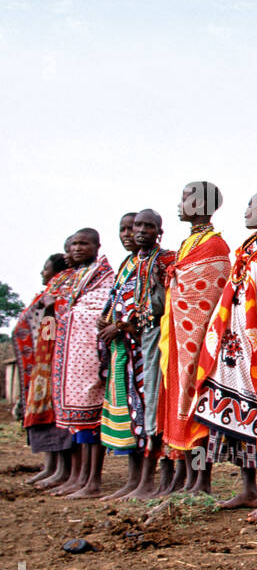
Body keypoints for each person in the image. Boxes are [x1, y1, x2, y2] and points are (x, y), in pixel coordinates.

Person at [192, 191, 257, 511]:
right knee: (232, 414)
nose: (245, 211)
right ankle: (248, 489)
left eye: (250, 205)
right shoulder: (247, 247)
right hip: (234, 345)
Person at [159, 181, 230, 496]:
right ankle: (186, 477)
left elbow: (210, 293)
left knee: (197, 409)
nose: (181, 202)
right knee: (178, 406)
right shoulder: (188, 244)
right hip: (178, 340)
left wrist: (178, 278)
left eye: (186, 196)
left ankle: (202, 480)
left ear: (201, 203)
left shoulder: (215, 246)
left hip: (198, 343)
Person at [51, 229, 115, 498]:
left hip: (91, 356)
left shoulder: (104, 276)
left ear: (97, 246)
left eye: (83, 244)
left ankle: (93, 480)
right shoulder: (77, 276)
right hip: (73, 358)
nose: (77, 248)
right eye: (74, 244)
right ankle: (79, 477)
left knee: (92, 419)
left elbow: (100, 310)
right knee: (78, 424)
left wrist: (75, 315)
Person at [123, 209, 176, 499]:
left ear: (159, 232)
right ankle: (146, 481)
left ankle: (163, 480)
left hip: (162, 337)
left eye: (148, 226)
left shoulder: (165, 259)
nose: (140, 230)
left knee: (159, 404)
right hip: (143, 339)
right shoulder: (135, 263)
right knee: (145, 406)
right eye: (136, 226)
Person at [99, 213, 147, 499]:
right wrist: (105, 321)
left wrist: (120, 325)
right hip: (121, 351)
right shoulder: (126, 264)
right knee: (129, 414)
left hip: (139, 348)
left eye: (134, 228)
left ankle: (144, 481)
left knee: (141, 412)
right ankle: (132, 480)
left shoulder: (151, 261)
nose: (129, 234)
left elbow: (151, 305)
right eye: (124, 229)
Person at [13, 251, 69, 486]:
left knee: (57, 416)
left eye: (45, 268)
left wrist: (48, 310)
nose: (41, 272)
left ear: (55, 271)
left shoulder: (59, 295)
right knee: (43, 415)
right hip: (42, 364)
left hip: (53, 361)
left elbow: (50, 331)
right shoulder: (47, 294)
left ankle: (62, 470)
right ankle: (50, 466)